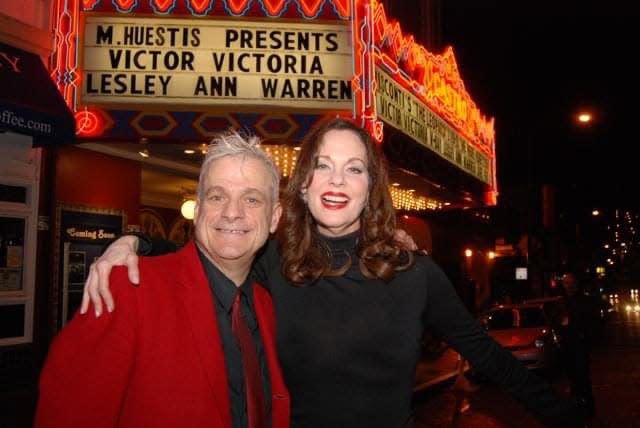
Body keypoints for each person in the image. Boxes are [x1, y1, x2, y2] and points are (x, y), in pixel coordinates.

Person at [82, 118, 584, 427]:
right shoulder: (273, 261)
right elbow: (206, 252)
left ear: (372, 186)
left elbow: (488, 356)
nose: (338, 179)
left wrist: (565, 417)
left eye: (355, 168)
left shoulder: (414, 273)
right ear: (302, 186)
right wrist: (133, 241)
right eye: (323, 166)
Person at [36, 132, 290, 428]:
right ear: (198, 210)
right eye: (217, 196)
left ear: (274, 218)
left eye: (252, 199)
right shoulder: (127, 290)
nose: (232, 212)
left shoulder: (266, 304)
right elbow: (66, 415)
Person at [558, 271, 599, 416]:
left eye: (571, 283)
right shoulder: (561, 302)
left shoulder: (584, 301)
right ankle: (577, 407)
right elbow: (557, 322)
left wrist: (586, 337)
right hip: (568, 345)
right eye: (566, 283)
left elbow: (593, 322)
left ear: (576, 284)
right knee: (573, 379)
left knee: (583, 378)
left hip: (580, 345)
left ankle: (588, 408)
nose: (569, 286)